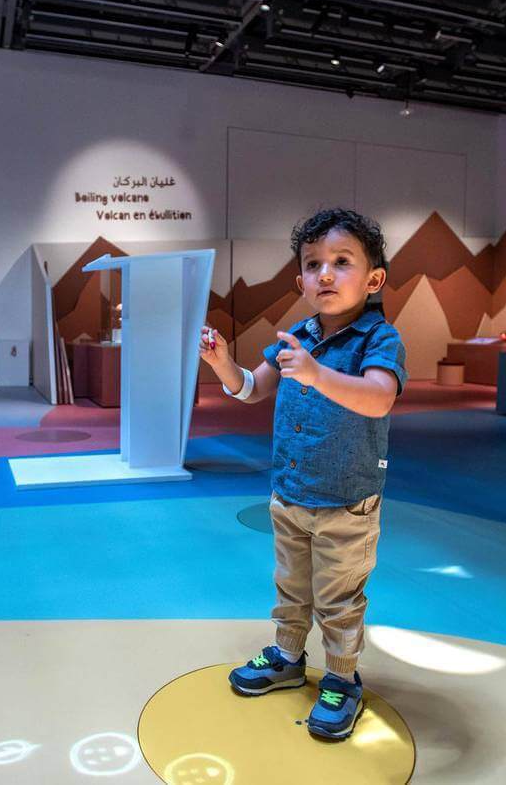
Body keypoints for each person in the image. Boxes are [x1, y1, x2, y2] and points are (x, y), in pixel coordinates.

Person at [198, 208, 407, 740]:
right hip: (289, 493)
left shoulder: (379, 339)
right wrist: (223, 363)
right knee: (292, 586)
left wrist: (317, 374)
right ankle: (288, 657)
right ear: (301, 280)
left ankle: (341, 678)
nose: (326, 275)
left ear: (374, 279)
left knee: (338, 597)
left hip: (346, 500)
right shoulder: (297, 335)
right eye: (313, 265)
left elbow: (380, 399)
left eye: (342, 262)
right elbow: (252, 387)